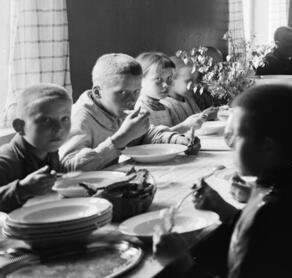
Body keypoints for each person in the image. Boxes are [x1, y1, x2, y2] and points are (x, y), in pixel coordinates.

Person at [154, 85, 292, 278]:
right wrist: (222, 209)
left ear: (268, 147)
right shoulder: (288, 187)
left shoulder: (273, 207)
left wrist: (181, 262)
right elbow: (263, 239)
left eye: (237, 134)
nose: (230, 142)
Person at [59, 54, 196, 171]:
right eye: (122, 92)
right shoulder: (80, 118)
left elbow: (146, 133)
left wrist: (178, 140)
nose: (131, 100)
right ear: (97, 92)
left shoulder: (119, 109)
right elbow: (70, 167)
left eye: (136, 91)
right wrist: (120, 139)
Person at [0, 84, 70, 212]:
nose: (59, 128)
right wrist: (22, 189)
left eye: (64, 118)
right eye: (46, 120)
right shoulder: (6, 160)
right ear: (20, 126)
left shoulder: (50, 150)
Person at [137, 52, 206, 141]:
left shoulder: (162, 107)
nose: (166, 85)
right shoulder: (139, 110)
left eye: (169, 78)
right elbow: (149, 141)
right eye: (158, 79)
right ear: (139, 80)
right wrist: (185, 126)